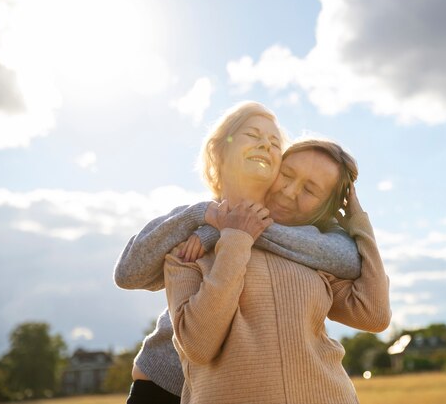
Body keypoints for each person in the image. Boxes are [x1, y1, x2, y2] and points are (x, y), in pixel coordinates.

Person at [114, 101, 361, 403]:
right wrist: (205, 216)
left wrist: (237, 229)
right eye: (252, 135)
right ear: (220, 149)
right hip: (161, 386)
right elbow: (128, 273)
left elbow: (348, 259)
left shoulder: (297, 226)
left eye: (274, 143)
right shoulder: (191, 219)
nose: (264, 145)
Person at [165, 136, 391, 403]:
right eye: (286, 174)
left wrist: (358, 223)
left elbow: (374, 314)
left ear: (324, 208)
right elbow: (199, 346)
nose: (289, 191)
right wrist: (237, 237)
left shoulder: (318, 257)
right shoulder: (191, 249)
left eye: (310, 190)